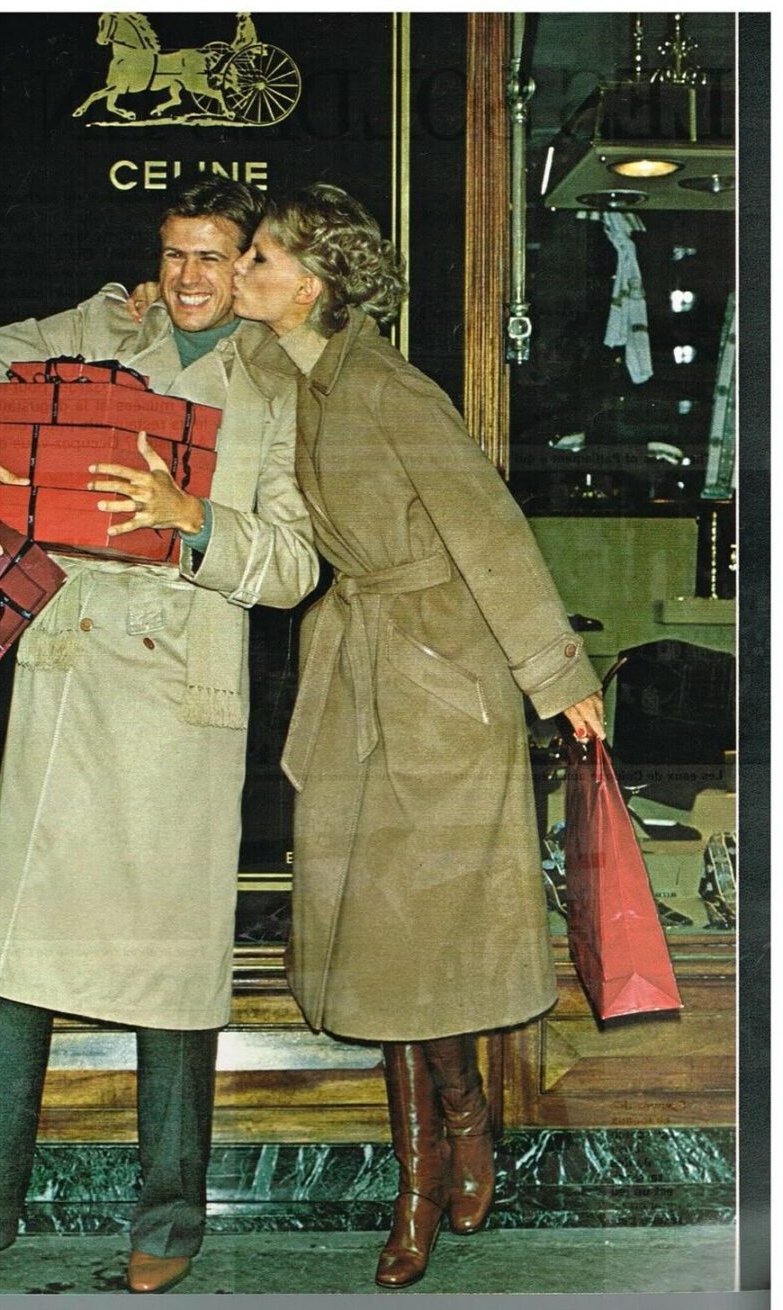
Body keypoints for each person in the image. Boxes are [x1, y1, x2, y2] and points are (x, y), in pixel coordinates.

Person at [0, 179, 318, 1294]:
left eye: (214, 257)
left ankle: (168, 1224)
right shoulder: (93, 326)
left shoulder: (282, 384)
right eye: (174, 254)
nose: (189, 279)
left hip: (181, 704)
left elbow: (295, 563)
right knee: (11, 962)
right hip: (67, 687)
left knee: (172, 980)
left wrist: (192, 524)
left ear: (247, 262)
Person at [230, 183, 605, 1288]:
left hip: (445, 682)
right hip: (354, 680)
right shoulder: (273, 372)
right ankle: (455, 1118)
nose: (239, 270)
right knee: (381, 941)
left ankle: (427, 1176)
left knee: (419, 938)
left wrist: (557, 675)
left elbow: (491, 532)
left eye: (257, 257)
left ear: (312, 284)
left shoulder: (393, 391)